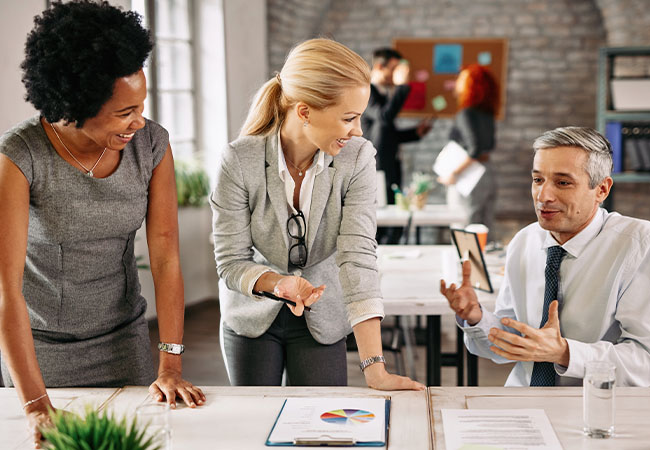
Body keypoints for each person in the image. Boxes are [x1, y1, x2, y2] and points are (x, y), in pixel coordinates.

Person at [0, 1, 204, 446]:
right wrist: (35, 404)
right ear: (77, 103)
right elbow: (6, 291)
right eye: (123, 112)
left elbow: (166, 257)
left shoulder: (151, 145)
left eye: (142, 105)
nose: (139, 121)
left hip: (123, 341)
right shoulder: (20, 156)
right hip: (41, 353)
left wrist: (169, 364)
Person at [210, 38, 423, 391]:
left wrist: (375, 368)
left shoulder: (357, 158)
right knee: (254, 425)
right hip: (250, 313)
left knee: (321, 430)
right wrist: (278, 284)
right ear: (305, 112)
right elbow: (230, 261)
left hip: (324, 316)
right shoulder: (239, 159)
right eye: (349, 118)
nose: (358, 130)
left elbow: (358, 258)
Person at [440, 126, 650, 387]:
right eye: (538, 180)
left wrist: (564, 353)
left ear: (602, 190)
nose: (543, 196)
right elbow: (513, 342)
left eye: (563, 182)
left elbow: (644, 361)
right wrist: (476, 317)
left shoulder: (640, 246)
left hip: (596, 411)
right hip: (524, 401)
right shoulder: (525, 241)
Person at [361, 48, 431, 244]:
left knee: (395, 223)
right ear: (380, 67)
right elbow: (384, 118)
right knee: (381, 227)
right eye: (394, 69)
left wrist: (415, 133)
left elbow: (387, 135)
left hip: (389, 165)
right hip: (377, 169)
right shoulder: (367, 92)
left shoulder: (383, 95)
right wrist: (402, 86)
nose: (398, 74)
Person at [438, 64, 499, 237]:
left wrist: (454, 174)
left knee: (464, 225)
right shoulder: (488, 114)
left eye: (462, 79)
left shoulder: (466, 114)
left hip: (469, 176)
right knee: (486, 226)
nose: (457, 83)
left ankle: (465, 264)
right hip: (488, 172)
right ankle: (483, 263)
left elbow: (475, 149)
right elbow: (489, 145)